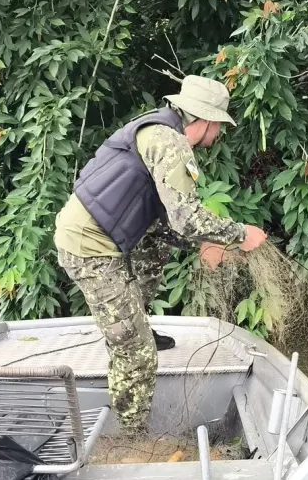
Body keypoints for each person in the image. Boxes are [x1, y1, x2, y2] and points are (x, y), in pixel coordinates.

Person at [54, 75, 267, 434]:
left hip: (102, 236)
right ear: (208, 121)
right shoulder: (172, 143)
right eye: (220, 128)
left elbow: (169, 218)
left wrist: (204, 241)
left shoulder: (159, 127)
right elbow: (187, 217)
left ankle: (134, 322)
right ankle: (131, 436)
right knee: (136, 355)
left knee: (159, 242)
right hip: (88, 248)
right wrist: (240, 234)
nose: (219, 136)